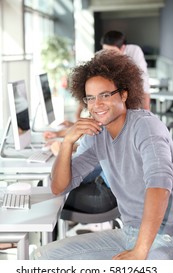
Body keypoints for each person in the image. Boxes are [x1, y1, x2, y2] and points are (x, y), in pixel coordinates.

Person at [33, 50, 173, 260]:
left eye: (105, 95)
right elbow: (58, 187)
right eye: (90, 98)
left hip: (163, 236)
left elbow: (160, 186)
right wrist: (67, 142)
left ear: (124, 95)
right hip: (128, 233)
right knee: (43, 257)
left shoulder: (146, 126)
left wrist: (140, 251)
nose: (96, 105)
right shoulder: (96, 135)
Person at [100, 30, 150, 110]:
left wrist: (146, 108)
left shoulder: (134, 51)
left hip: (133, 90)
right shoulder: (101, 55)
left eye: (112, 51)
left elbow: (143, 79)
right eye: (105, 51)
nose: (108, 55)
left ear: (123, 48)